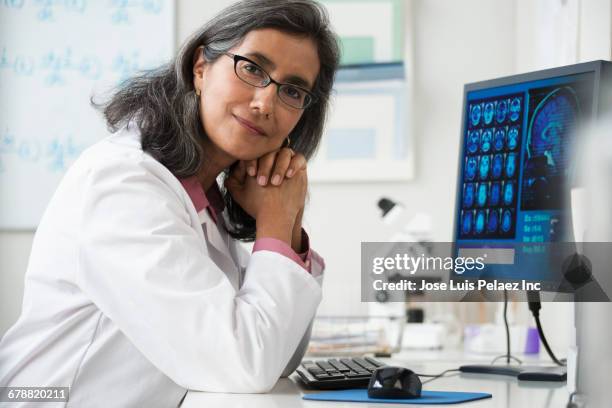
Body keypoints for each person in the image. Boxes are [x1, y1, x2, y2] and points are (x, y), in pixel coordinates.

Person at [0, 0, 340, 406]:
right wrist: (274, 221)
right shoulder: (125, 186)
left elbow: (279, 355)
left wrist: (289, 226)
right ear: (200, 68)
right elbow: (245, 364)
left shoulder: (203, 197)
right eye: (251, 68)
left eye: (292, 90)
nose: (265, 103)